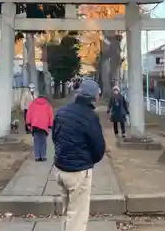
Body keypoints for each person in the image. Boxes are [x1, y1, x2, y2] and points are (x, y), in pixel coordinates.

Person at [52, 79, 105, 231]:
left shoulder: (62, 112)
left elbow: (55, 138)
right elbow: (99, 147)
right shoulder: (90, 116)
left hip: (61, 169)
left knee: (67, 213)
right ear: (93, 97)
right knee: (77, 217)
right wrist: (89, 161)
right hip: (79, 171)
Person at [26, 95, 54, 162]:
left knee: (36, 141)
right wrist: (51, 125)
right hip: (44, 125)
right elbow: (51, 115)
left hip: (35, 125)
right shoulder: (48, 105)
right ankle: (43, 156)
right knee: (43, 141)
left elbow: (28, 114)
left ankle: (37, 157)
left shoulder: (32, 104)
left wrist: (28, 123)